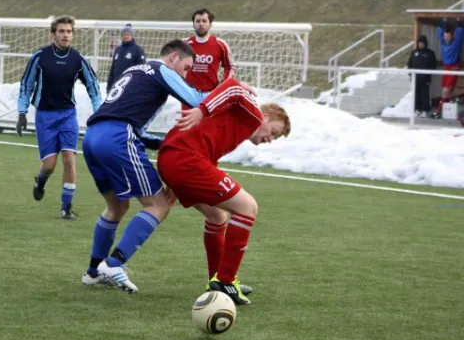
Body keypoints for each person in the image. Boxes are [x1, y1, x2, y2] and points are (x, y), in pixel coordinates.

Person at [81, 39, 217, 293]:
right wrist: (231, 90)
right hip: (117, 137)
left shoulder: (135, 70)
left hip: (92, 137)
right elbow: (196, 98)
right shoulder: (160, 69)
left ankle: (93, 271)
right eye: (186, 68)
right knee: (159, 204)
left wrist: (158, 142)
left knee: (116, 206)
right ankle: (114, 263)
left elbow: (124, 112)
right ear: (174, 57)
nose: (185, 75)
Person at [157, 78, 291, 305]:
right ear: (266, 116)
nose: (270, 139)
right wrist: (201, 110)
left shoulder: (238, 123)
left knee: (217, 215)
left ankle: (216, 280)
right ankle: (227, 281)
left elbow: (206, 145)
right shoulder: (253, 114)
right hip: (184, 159)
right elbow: (234, 86)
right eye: (273, 132)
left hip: (175, 158)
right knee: (248, 207)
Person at [16, 16, 102, 219]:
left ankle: (66, 207)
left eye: (69, 31)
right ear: (53, 34)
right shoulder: (40, 56)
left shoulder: (77, 59)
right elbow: (26, 85)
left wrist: (99, 113)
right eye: (61, 31)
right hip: (45, 116)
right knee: (49, 165)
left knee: (69, 159)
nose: (65, 35)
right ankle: (41, 180)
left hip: (67, 115)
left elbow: (93, 86)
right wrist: (21, 112)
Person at [184, 8, 235, 96]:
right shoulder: (184, 45)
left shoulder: (220, 44)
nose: (201, 24)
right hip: (188, 93)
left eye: (204, 21)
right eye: (198, 21)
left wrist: (223, 85)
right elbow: (175, 67)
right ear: (193, 24)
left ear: (210, 24)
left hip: (211, 93)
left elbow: (230, 67)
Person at [435, 18, 464, 118]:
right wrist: (442, 23)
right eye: (445, 35)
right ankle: (453, 107)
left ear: (452, 36)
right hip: (446, 68)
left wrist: (460, 24)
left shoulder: (455, 44)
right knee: (446, 90)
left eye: (448, 36)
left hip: (454, 67)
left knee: (446, 90)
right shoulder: (443, 43)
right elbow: (439, 33)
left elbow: (459, 35)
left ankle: (438, 110)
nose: (446, 37)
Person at [106, 23, 146, 92]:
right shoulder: (118, 49)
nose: (126, 36)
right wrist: (109, 86)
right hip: (116, 85)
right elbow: (113, 69)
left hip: (130, 85)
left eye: (128, 34)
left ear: (132, 35)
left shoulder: (138, 50)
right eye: (124, 34)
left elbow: (142, 70)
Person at [407, 35, 437, 118]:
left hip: (425, 78)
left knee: (424, 95)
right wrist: (410, 74)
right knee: (416, 94)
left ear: (425, 43)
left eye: (422, 43)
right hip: (415, 78)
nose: (421, 44)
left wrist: (427, 74)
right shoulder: (414, 52)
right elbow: (409, 64)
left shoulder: (430, 53)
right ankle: (417, 109)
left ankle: (425, 110)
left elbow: (433, 65)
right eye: (419, 43)